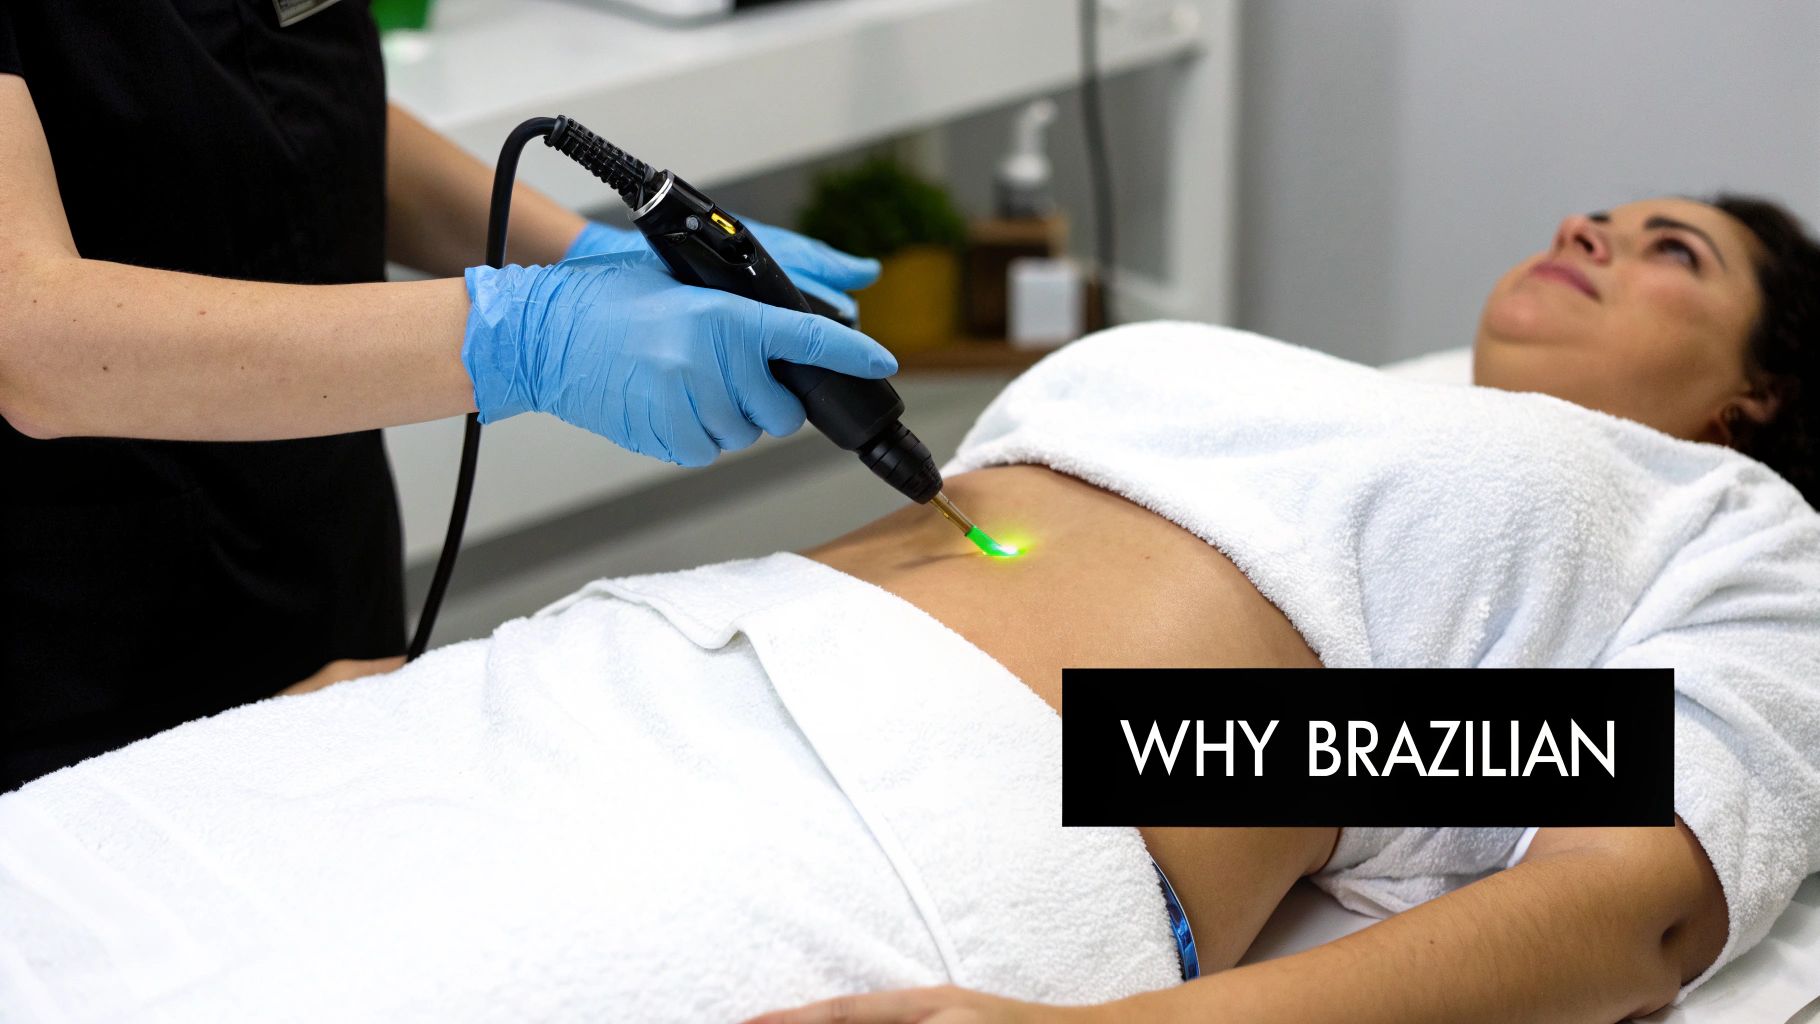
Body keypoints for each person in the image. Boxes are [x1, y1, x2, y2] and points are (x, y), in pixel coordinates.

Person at [1, 196, 1815, 1023]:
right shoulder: (1305, 381)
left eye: (1681, 254)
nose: (1600, 228)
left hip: (879, 817)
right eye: (1610, 208)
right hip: (602, 676)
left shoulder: (1723, 525)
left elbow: (1629, 892)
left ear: (1756, 395)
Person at [0, 2, 892, 792]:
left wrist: (573, 249)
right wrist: (521, 333)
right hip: (78, 650)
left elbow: (270, 102)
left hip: (319, 538)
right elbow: (27, 341)